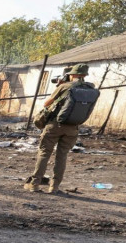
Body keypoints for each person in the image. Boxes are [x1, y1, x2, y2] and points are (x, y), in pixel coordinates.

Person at [27, 64, 96, 194]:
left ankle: (34, 184)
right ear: (84, 75)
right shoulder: (91, 89)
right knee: (62, 156)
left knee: (44, 153)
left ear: (73, 74)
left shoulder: (65, 87)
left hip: (55, 125)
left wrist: (60, 87)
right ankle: (54, 187)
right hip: (73, 127)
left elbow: (47, 103)